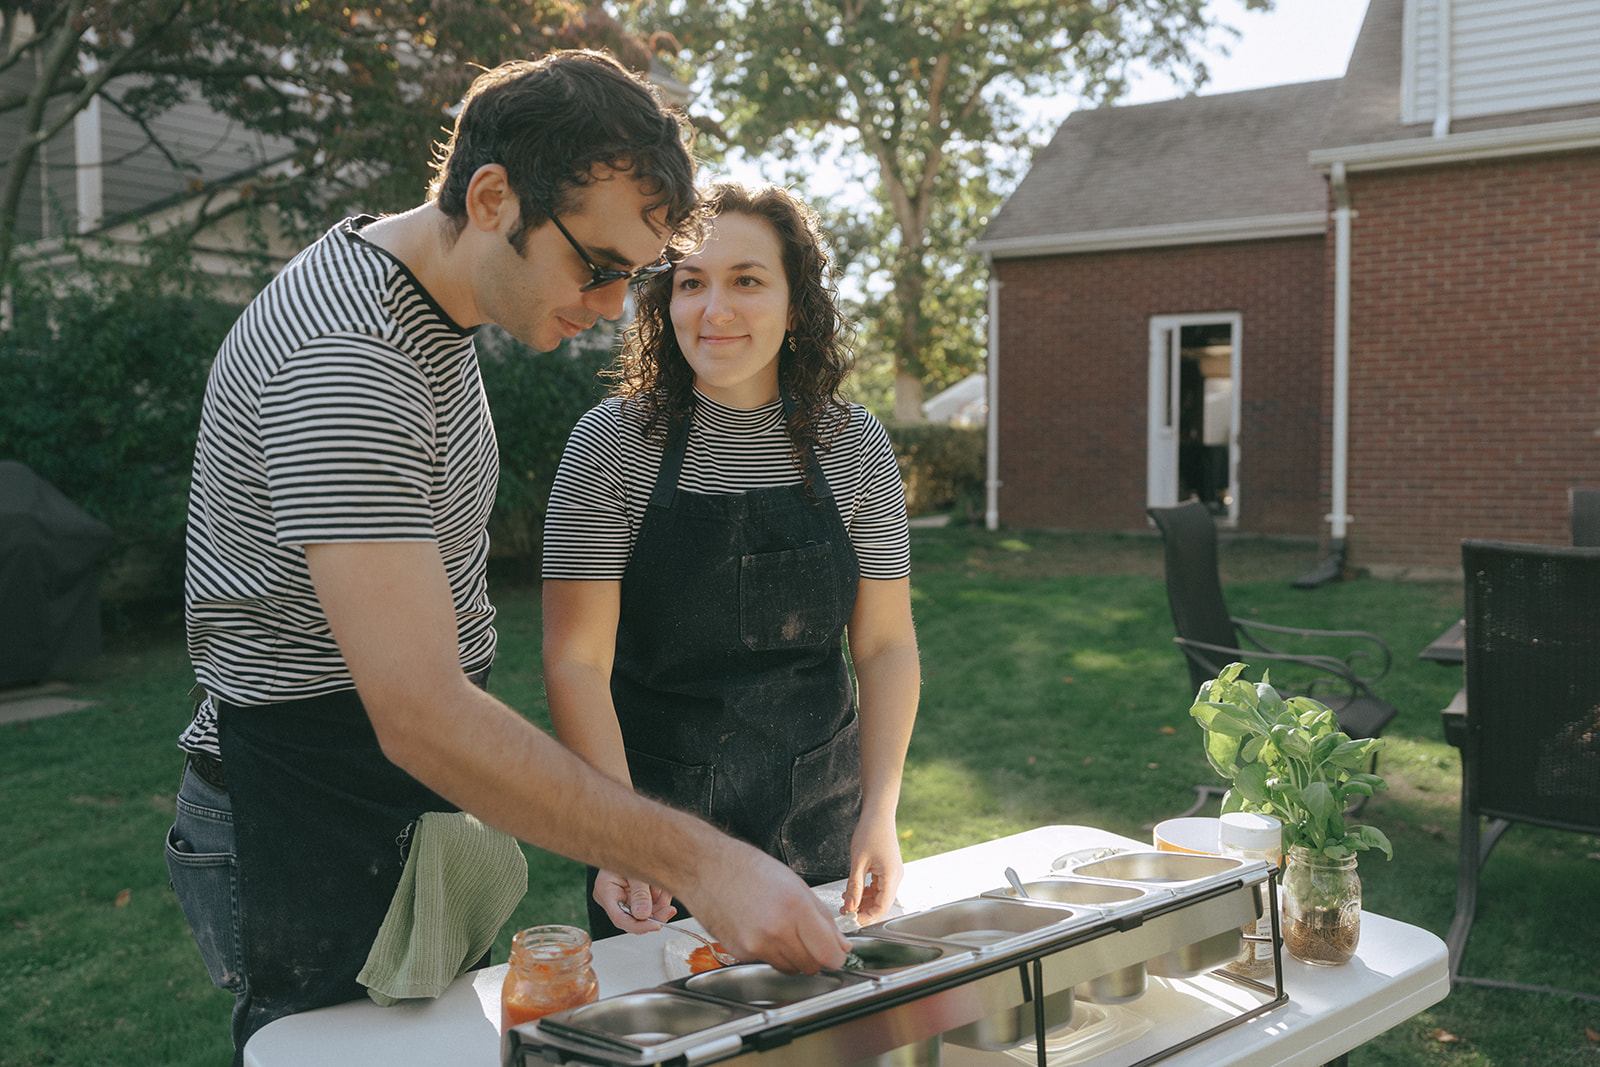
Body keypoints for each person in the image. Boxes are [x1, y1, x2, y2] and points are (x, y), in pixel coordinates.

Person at [164, 53, 848, 1064]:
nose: (618, 306)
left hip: (394, 798)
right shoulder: (349, 358)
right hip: (309, 813)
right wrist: (705, 862)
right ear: (492, 197)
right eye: (599, 266)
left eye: (635, 275)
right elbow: (422, 713)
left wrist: (611, 836)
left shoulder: (421, 301)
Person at [541, 181, 921, 941]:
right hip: (659, 842)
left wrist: (879, 811)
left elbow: (884, 644)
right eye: (690, 283)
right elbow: (575, 659)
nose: (714, 311)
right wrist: (626, 836)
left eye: (746, 280)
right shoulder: (611, 444)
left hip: (823, 825)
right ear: (664, 300)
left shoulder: (855, 447)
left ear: (796, 300)